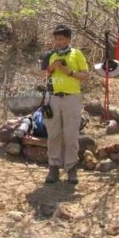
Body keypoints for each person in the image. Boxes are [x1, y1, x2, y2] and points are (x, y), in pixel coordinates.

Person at [43, 24, 89, 185]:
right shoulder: (51, 54)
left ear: (68, 39)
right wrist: (52, 68)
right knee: (54, 134)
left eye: (61, 39)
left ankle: (71, 169)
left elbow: (85, 75)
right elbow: (45, 75)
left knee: (71, 135)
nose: (58, 42)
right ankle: (53, 168)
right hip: (54, 97)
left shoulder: (77, 54)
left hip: (72, 98)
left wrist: (69, 72)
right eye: (56, 39)